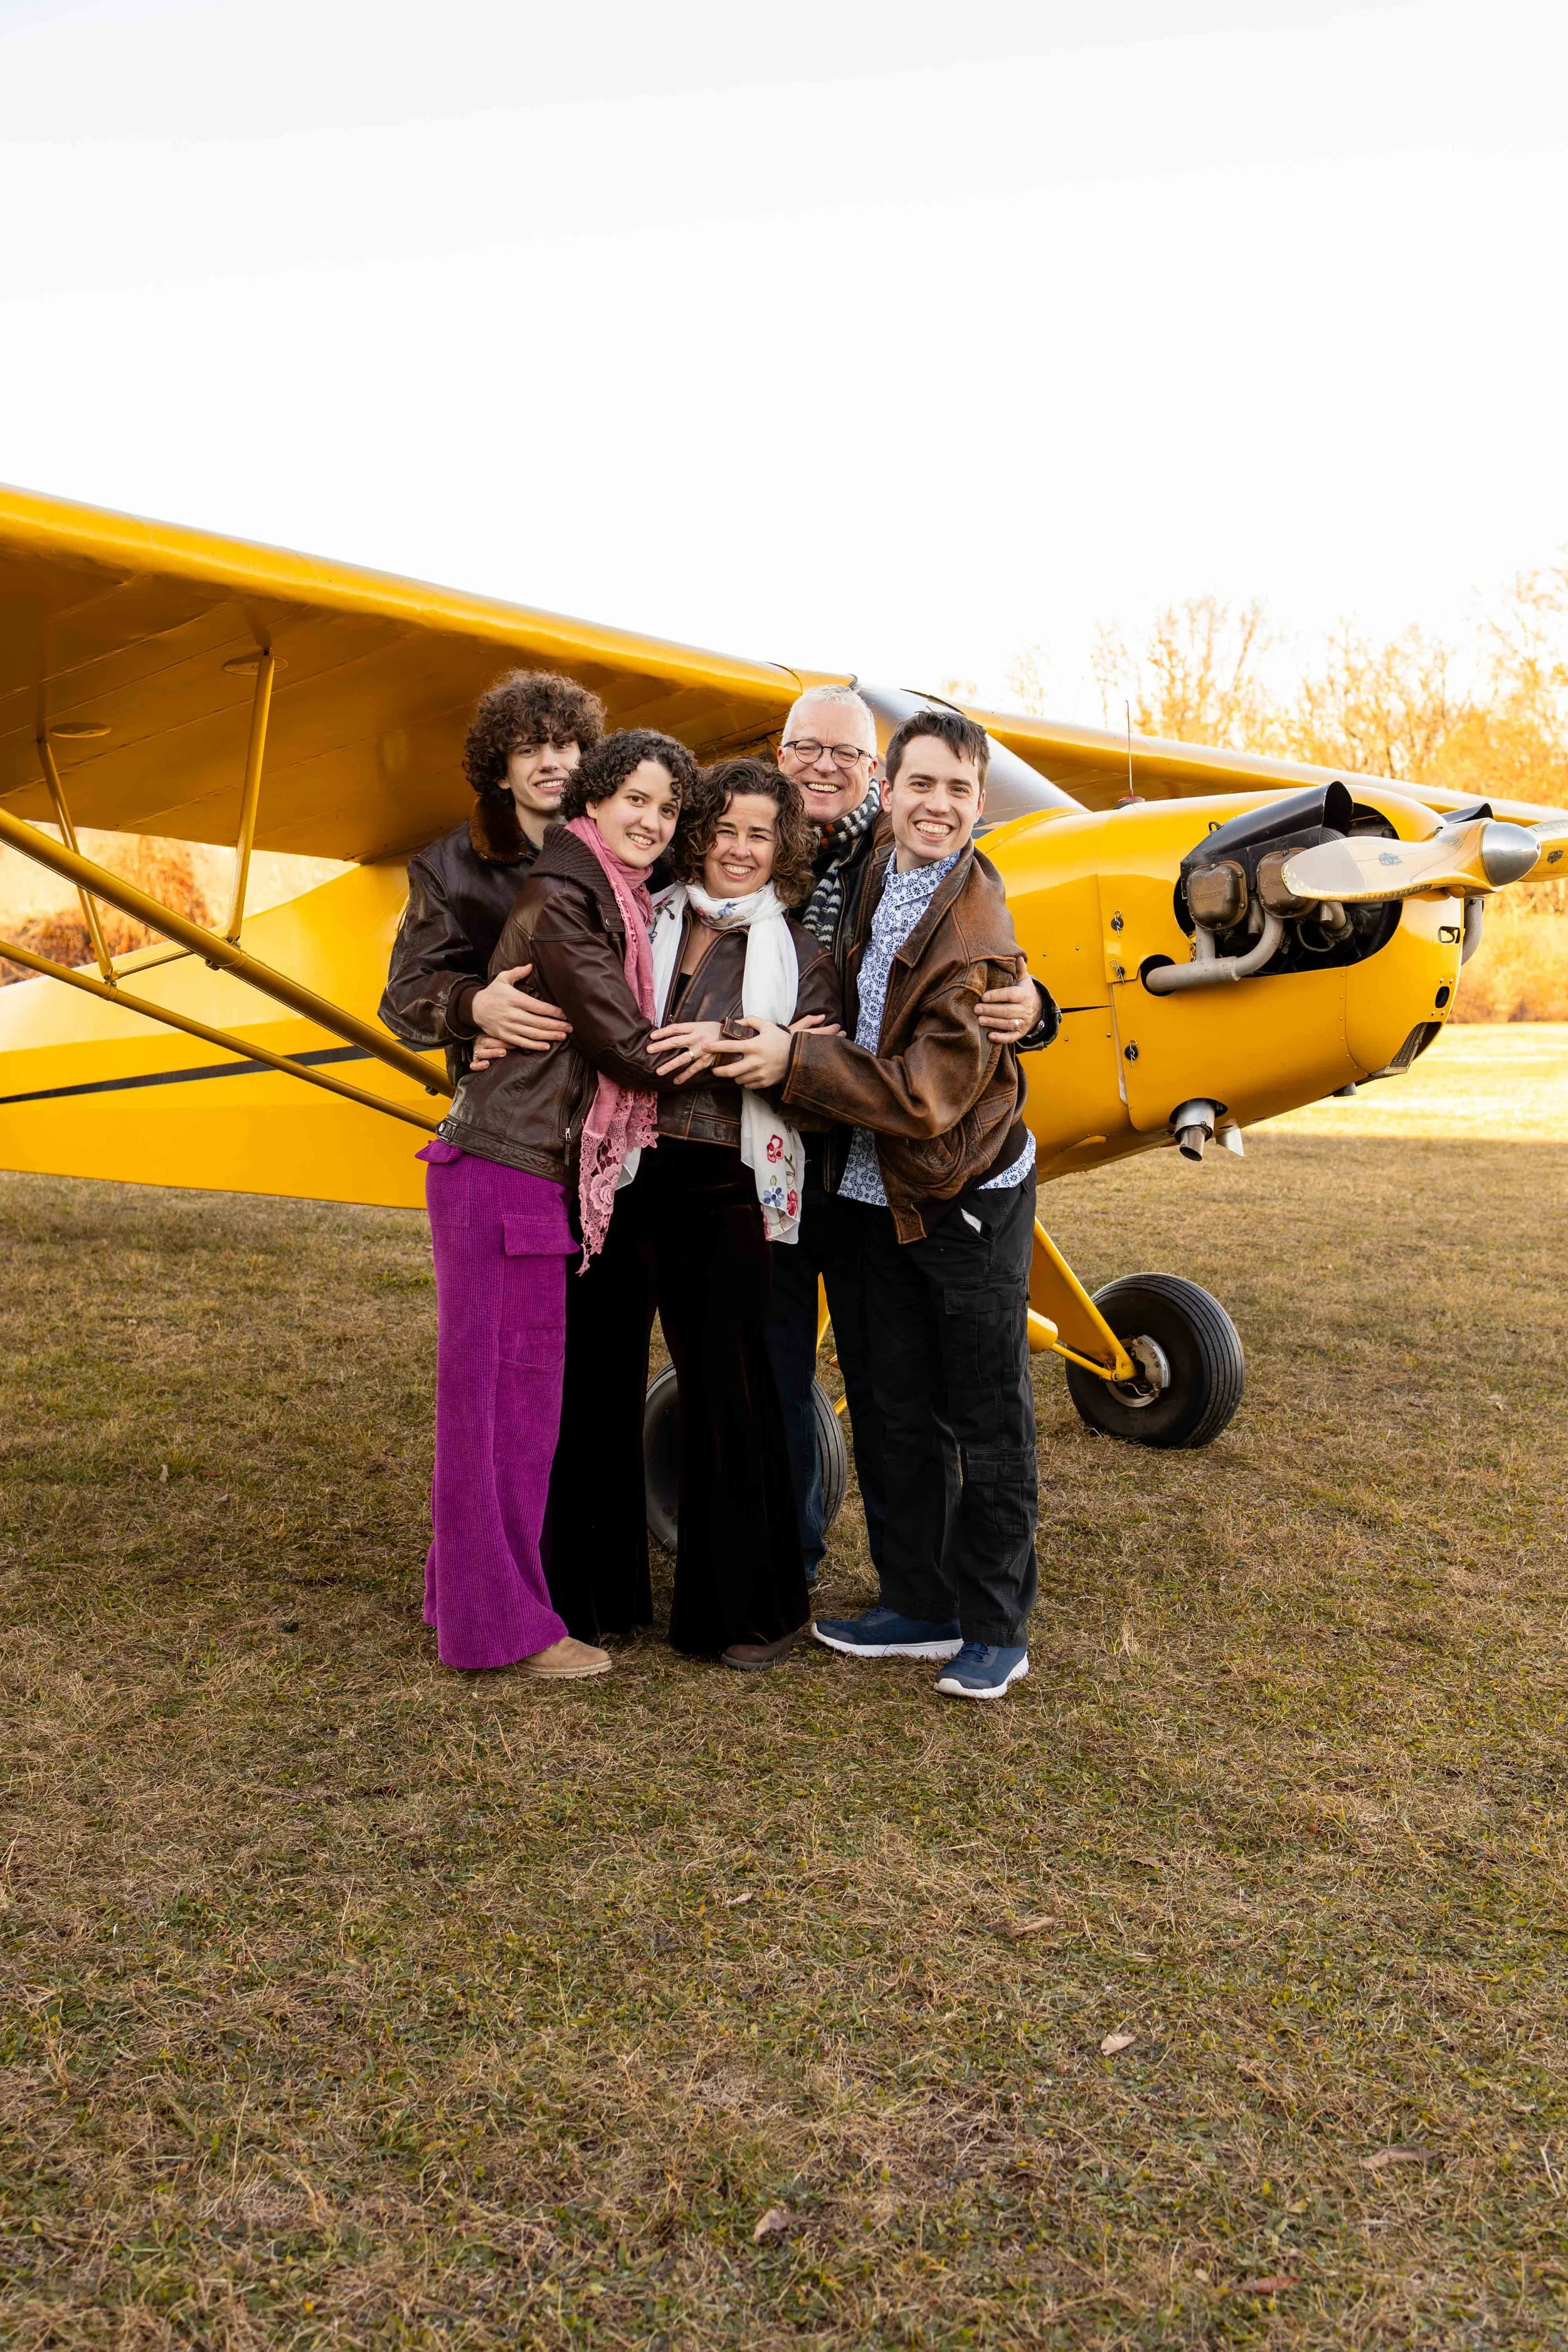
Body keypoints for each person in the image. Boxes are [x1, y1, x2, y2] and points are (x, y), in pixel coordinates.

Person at [716, 709, 1040, 1702]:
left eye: (957, 790)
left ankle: (994, 1624)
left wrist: (793, 1058)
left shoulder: (977, 931)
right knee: (892, 1403)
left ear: (980, 805)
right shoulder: (869, 871)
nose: (936, 805)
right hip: (867, 1189)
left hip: (957, 1187)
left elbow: (925, 1095)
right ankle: (918, 1601)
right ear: (886, 795)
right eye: (921, 785)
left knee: (983, 1415)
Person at [417, 728, 697, 1680]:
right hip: (506, 1166)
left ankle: (457, 1595)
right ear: (595, 800)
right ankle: (500, 1632)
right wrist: (763, 1052)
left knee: (511, 1408)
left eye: (669, 808)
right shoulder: (567, 899)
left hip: (524, 1166)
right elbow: (627, 1046)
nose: (653, 821)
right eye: (637, 799)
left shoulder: (598, 892)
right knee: (500, 1415)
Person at [625, 757, 842, 1665]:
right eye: (724, 829)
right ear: (697, 833)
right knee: (600, 1382)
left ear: (780, 844)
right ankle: (600, 1594)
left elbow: (816, 1054)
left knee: (733, 1392)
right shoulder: (645, 919)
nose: (740, 848)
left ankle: (747, 1613)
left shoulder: (804, 949)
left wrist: (728, 1042)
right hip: (633, 1169)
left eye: (760, 832)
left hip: (733, 1180)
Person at [379, 667, 593, 1077]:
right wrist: (476, 1006)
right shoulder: (446, 865)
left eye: (563, 746)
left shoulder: (636, 845)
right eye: (528, 751)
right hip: (516, 1095)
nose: (550, 763)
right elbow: (402, 996)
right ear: (501, 773)